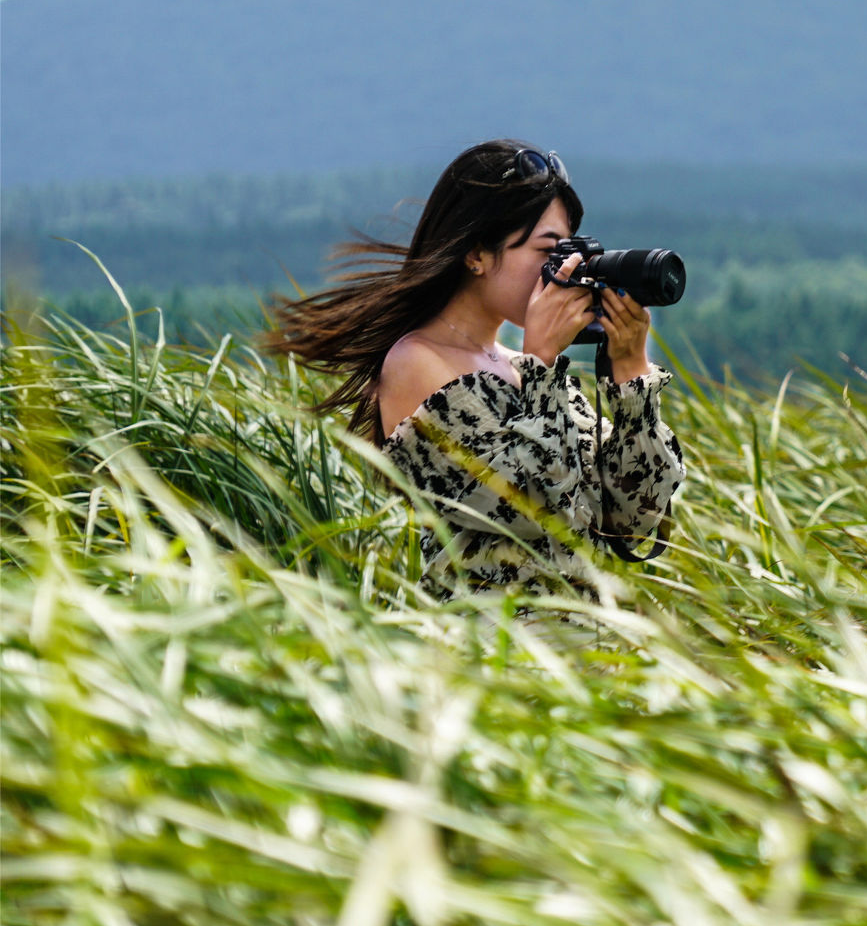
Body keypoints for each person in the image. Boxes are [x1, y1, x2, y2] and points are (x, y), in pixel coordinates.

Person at [265, 140, 684, 593]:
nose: (565, 273)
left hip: (585, 653)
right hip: (490, 651)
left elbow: (634, 519)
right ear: (476, 254)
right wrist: (542, 363)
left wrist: (630, 374)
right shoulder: (417, 364)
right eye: (549, 253)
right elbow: (533, 509)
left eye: (569, 253)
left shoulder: (525, 371)